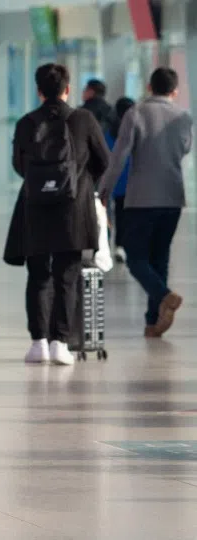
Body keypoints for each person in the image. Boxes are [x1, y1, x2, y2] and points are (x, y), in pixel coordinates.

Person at [4, 64, 110, 365]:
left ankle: (38, 342)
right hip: (73, 209)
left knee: (38, 275)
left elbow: (18, 164)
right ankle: (60, 343)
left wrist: (42, 182)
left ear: (39, 90)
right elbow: (105, 160)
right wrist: (82, 179)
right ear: (68, 89)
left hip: (35, 207)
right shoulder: (83, 119)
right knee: (67, 275)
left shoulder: (26, 123)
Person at [99, 67, 192, 338]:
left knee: (136, 258)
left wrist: (104, 188)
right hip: (173, 197)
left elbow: (119, 156)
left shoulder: (136, 113)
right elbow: (185, 148)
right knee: (160, 257)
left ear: (149, 87)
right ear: (174, 91)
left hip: (141, 198)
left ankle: (164, 296)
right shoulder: (184, 116)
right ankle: (152, 322)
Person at [104, 97, 135, 263]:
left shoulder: (109, 129)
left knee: (107, 214)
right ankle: (120, 246)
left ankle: (106, 244)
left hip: (109, 179)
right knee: (122, 214)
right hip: (127, 178)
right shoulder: (135, 127)